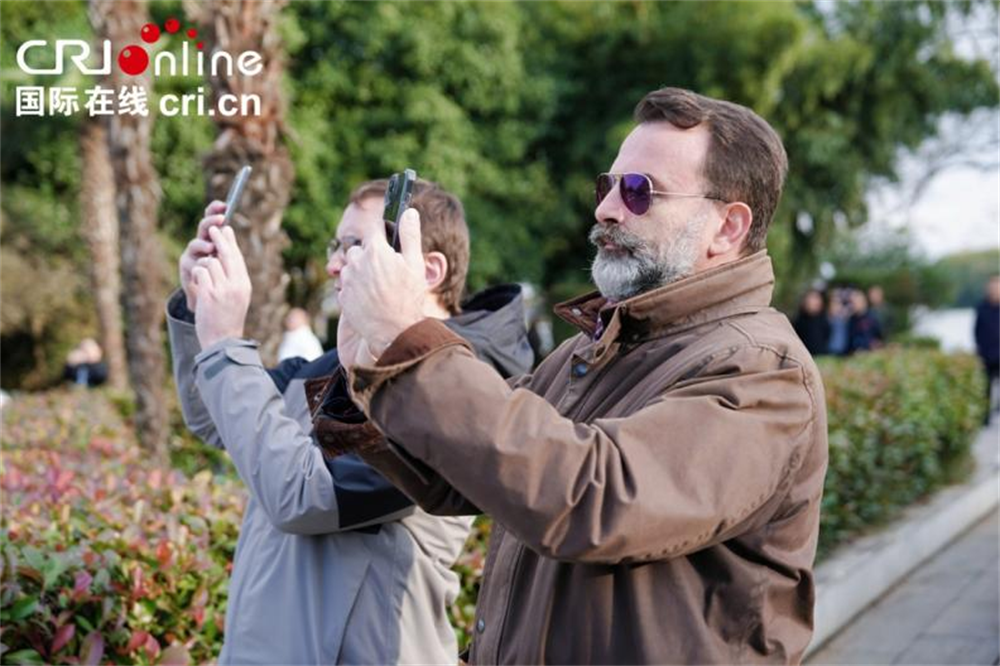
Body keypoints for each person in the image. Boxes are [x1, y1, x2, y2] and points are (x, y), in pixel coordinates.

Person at [329, 87, 829, 663]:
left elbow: (593, 497)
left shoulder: (762, 370)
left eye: (640, 192)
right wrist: (368, 362)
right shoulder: (595, 348)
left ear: (727, 228)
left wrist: (410, 342)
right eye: (608, 186)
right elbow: (460, 469)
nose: (607, 209)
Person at [167, 179, 533, 665]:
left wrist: (225, 344)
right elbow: (214, 417)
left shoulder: (454, 390)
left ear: (427, 269)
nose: (333, 264)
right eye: (335, 246)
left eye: (356, 246)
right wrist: (198, 314)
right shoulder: (335, 365)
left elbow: (304, 496)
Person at [974, 274, 1000, 425]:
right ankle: (986, 417)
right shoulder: (982, 307)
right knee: (986, 387)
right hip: (987, 353)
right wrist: (979, 348)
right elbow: (977, 330)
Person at [793, 288, 831, 356]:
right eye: (810, 299)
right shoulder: (799, 321)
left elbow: (827, 336)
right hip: (804, 356)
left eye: (816, 299)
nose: (812, 302)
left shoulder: (825, 320)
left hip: (822, 355)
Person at [847, 289, 883, 353]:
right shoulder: (851, 320)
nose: (854, 305)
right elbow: (851, 339)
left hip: (872, 352)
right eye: (853, 303)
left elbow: (879, 336)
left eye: (856, 302)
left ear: (863, 302)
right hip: (856, 353)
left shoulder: (872, 317)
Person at [827, 291, 850, 356]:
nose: (836, 306)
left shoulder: (845, 319)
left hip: (844, 351)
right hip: (830, 350)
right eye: (834, 303)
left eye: (838, 303)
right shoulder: (826, 319)